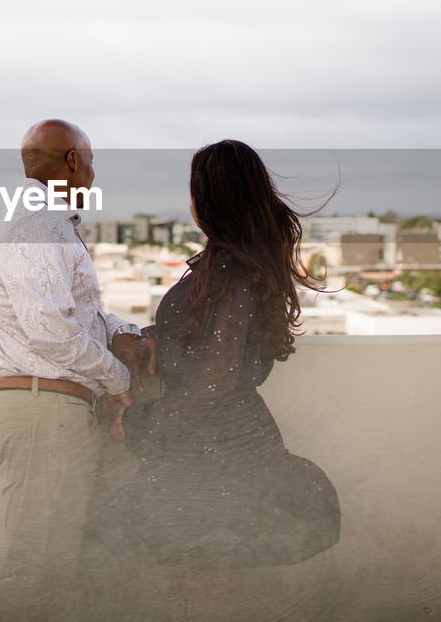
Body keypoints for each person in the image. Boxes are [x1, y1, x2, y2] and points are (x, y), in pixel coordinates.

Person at [95, 139, 341, 606]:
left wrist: (138, 423)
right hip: (215, 445)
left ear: (205, 201)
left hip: (217, 450)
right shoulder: (230, 268)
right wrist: (151, 339)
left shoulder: (230, 272)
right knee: (195, 579)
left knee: (205, 584)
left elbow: (216, 378)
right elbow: (206, 343)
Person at [0, 118, 149, 621]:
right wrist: (118, 381)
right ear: (73, 161)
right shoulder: (36, 222)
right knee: (36, 574)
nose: (93, 172)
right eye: (91, 160)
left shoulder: (41, 221)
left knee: (52, 570)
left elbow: (68, 316)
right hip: (41, 410)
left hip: (42, 409)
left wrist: (120, 330)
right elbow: (48, 329)